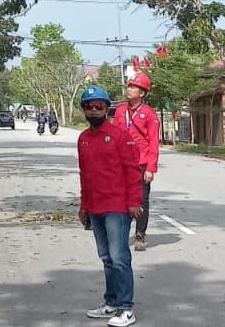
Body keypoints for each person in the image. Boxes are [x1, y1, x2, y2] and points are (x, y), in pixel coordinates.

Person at [78, 85, 142, 327]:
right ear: (84, 110)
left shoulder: (119, 136)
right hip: (95, 207)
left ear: (106, 109)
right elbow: (85, 175)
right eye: (89, 106)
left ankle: (127, 309)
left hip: (117, 206)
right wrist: (83, 206)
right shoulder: (83, 139)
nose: (94, 110)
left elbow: (132, 171)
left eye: (99, 106)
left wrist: (135, 201)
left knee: (119, 257)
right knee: (105, 257)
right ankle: (112, 302)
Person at [112, 71, 159, 252]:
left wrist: (151, 168)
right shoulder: (120, 111)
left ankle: (140, 234)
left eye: (134, 87)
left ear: (142, 93)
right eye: (129, 85)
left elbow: (154, 142)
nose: (129, 89)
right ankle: (122, 233)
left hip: (141, 163)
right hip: (121, 163)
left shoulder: (149, 114)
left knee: (141, 200)